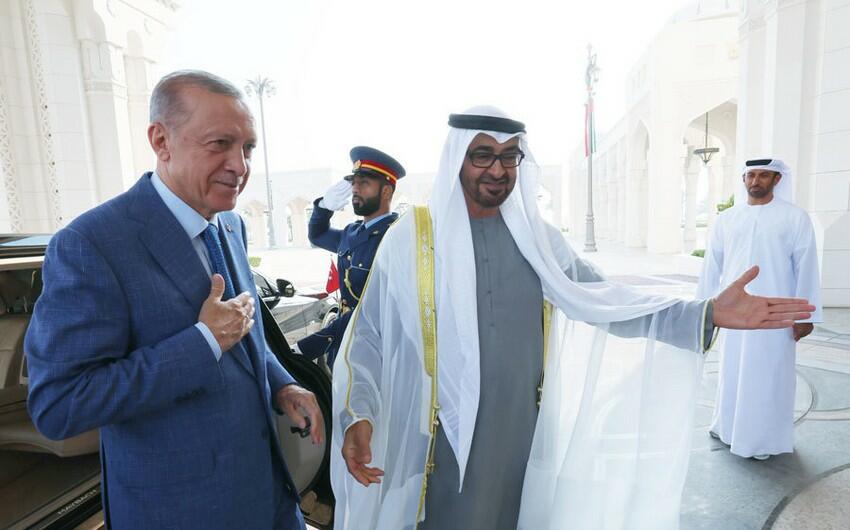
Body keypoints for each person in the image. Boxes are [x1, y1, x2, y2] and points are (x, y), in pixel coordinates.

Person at [329, 107, 815, 530]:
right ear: (457, 158)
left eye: (510, 156)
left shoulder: (537, 240)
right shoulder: (412, 239)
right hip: (442, 440)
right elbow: (369, 335)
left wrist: (703, 313)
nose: (497, 170)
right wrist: (358, 414)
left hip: (523, 434)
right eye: (483, 155)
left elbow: (604, 300)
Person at [25, 70, 324, 530]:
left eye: (247, 148)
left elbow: (243, 331)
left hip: (270, 500)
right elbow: (60, 405)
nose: (240, 166)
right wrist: (202, 343)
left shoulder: (230, 225)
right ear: (161, 141)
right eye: (220, 144)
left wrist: (282, 384)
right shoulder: (91, 245)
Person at [697, 158, 822, 461]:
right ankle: (727, 427)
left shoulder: (795, 218)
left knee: (769, 374)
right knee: (732, 370)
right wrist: (702, 311)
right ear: (743, 179)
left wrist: (807, 316)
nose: (756, 181)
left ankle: (762, 440)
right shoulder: (727, 219)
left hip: (775, 314)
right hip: (733, 313)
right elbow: (712, 266)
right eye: (751, 175)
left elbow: (806, 267)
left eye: (764, 175)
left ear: (777, 179)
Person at [295, 146, 405, 369]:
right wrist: (324, 207)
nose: (355, 188)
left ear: (386, 191)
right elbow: (317, 235)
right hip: (344, 348)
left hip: (376, 353)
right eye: (354, 182)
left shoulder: (397, 236)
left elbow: (373, 307)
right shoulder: (351, 232)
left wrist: (310, 346)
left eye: (364, 183)